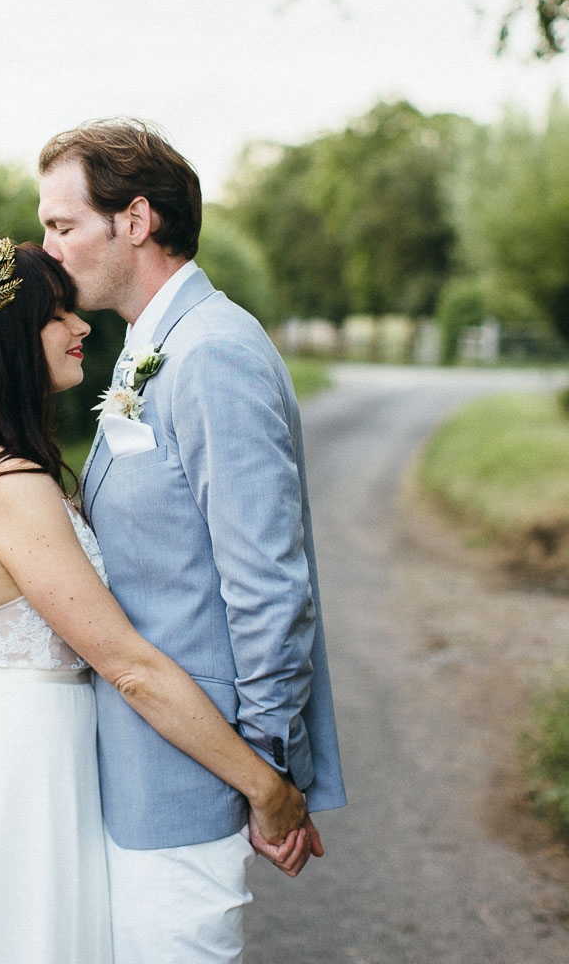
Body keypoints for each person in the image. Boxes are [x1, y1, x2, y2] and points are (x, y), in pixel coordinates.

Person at [0, 234, 313, 964]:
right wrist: (264, 785)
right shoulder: (10, 485)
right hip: (26, 761)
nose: (82, 328)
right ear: (4, 345)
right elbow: (129, 666)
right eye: (57, 316)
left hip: (10, 739)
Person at [37, 120, 346, 964]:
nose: (47, 247)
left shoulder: (212, 353)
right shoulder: (152, 348)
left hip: (189, 771)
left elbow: (269, 583)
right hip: (140, 762)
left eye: (63, 226)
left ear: (134, 221)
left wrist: (270, 777)